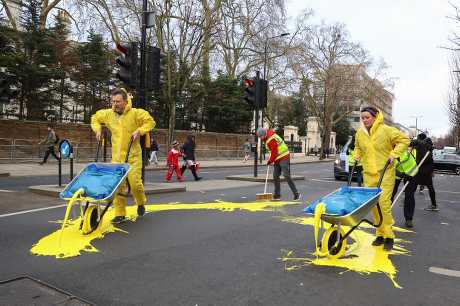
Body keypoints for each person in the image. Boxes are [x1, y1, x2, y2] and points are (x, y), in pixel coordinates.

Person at [91, 88, 155, 224]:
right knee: (118, 187)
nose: (115, 104)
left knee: (135, 184)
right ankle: (120, 213)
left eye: (118, 101)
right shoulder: (108, 114)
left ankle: (140, 202)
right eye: (113, 101)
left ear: (126, 101)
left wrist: (140, 130)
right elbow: (95, 118)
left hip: (133, 157)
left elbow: (150, 122)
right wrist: (98, 130)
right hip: (117, 158)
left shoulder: (136, 113)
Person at [353, 106, 409, 251]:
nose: (365, 120)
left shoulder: (386, 130)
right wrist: (357, 154)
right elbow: (358, 147)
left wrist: (394, 154)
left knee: (383, 204)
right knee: (373, 206)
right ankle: (379, 234)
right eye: (363, 118)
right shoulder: (360, 133)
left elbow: (404, 140)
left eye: (367, 117)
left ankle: (389, 236)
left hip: (385, 173)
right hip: (369, 174)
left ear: (375, 116)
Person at [256, 127, 301, 201]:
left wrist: (270, 161)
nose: (260, 138)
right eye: (259, 137)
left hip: (284, 156)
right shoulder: (266, 138)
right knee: (275, 176)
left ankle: (296, 194)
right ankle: (277, 195)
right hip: (277, 158)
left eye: (260, 136)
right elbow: (272, 151)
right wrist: (272, 159)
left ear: (264, 134)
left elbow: (274, 151)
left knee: (286, 175)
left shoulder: (271, 138)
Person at [391, 141, 418, 228]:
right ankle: (385, 216)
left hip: (411, 173)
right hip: (397, 174)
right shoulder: (388, 154)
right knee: (390, 194)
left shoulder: (405, 151)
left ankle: (409, 219)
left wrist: (410, 175)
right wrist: (401, 174)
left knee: (409, 196)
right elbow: (390, 168)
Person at [414, 133, 438, 211]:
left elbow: (425, 159)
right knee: (430, 187)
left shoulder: (425, 147)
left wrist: (418, 163)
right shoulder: (428, 146)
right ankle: (434, 205)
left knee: (412, 185)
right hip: (425, 170)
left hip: (423, 171)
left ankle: (434, 205)